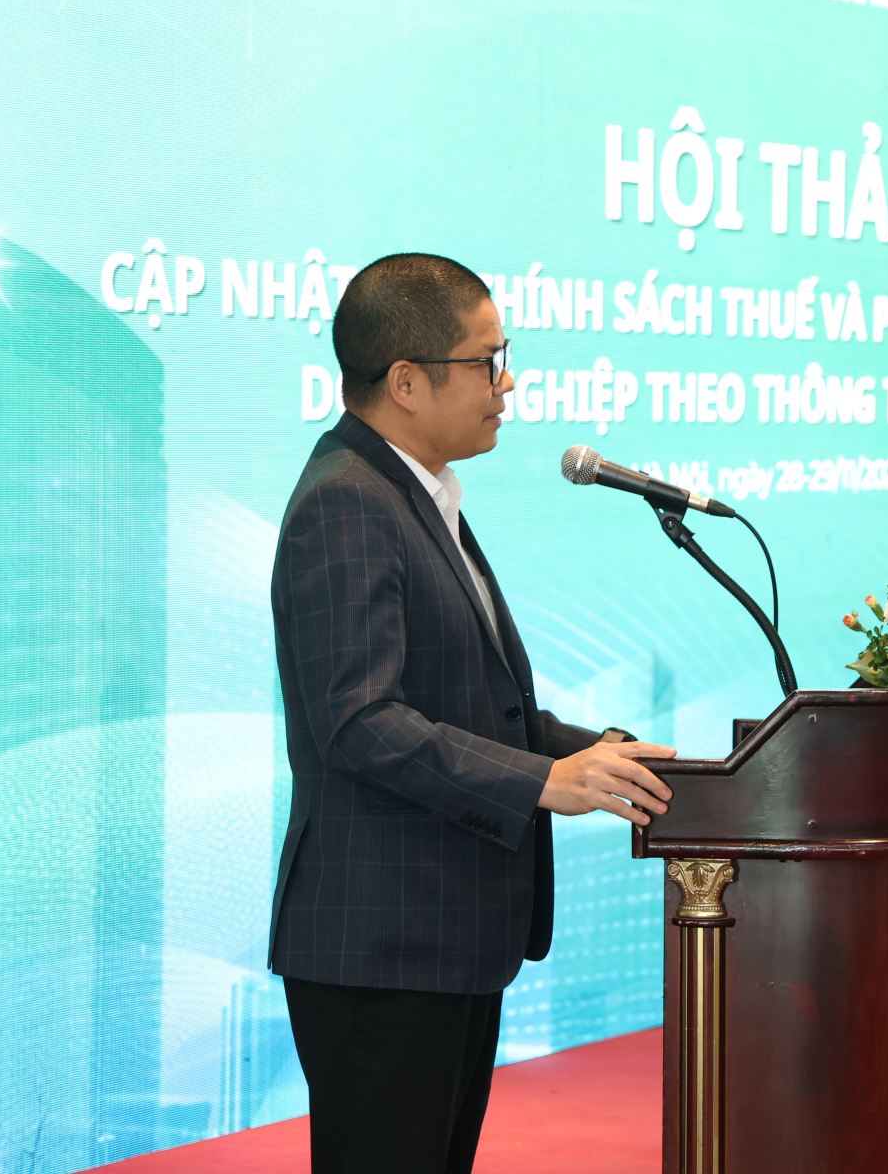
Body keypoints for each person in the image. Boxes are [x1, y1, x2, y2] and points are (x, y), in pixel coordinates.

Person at [267, 252, 675, 1173]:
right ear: (407, 381)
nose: (508, 383)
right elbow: (359, 721)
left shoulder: (414, 492)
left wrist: (603, 755)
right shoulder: (347, 502)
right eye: (488, 361)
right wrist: (542, 782)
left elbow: (470, 702)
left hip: (438, 940)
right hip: (382, 947)